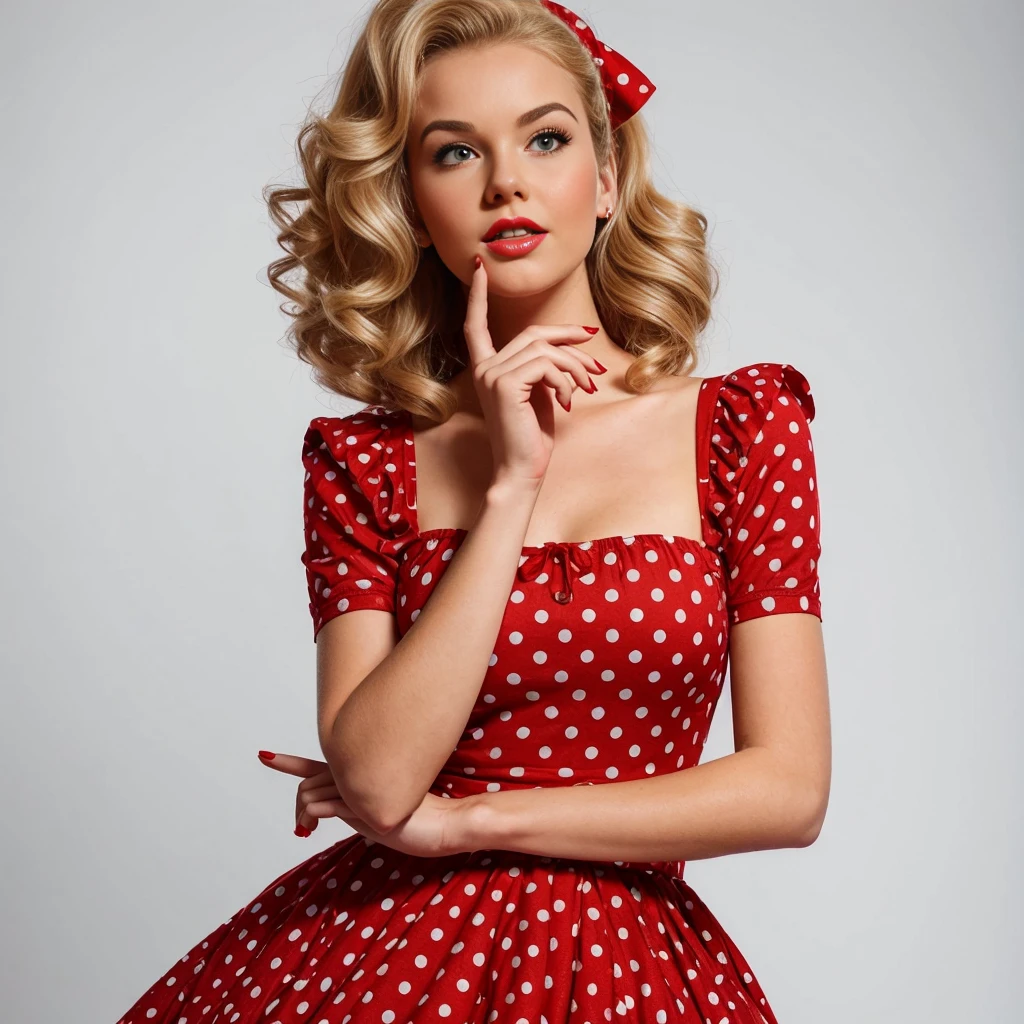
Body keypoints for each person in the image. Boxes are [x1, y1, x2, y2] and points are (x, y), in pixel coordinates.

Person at [115, 1, 831, 1021]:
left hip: (630, 966)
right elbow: (373, 779)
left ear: (607, 177)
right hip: (383, 963)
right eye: (454, 153)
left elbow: (788, 788)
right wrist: (510, 489)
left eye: (546, 138)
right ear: (409, 199)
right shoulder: (364, 460)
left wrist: (467, 823)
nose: (506, 181)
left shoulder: (741, 427)